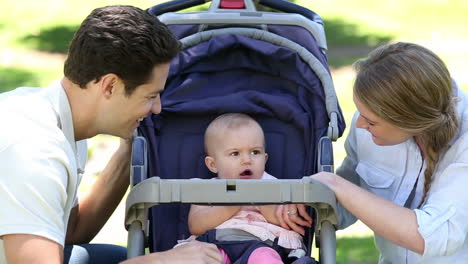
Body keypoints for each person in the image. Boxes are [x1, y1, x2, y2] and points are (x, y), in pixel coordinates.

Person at [0, 5, 222, 264]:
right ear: (110, 85)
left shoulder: (65, 121)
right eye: (150, 96)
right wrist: (161, 261)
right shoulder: (34, 152)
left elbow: (72, 232)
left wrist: (128, 152)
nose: (158, 108)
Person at [311, 42, 468, 263]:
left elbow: (435, 236)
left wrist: (336, 185)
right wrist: (306, 203)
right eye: (360, 112)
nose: (359, 125)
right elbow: (352, 198)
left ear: (409, 120)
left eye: (372, 122)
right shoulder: (368, 128)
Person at [187, 113, 313, 264]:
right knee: (197, 257)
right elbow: (195, 225)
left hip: (260, 244)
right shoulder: (207, 188)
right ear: (213, 165)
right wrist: (229, 206)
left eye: (255, 152)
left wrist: (260, 199)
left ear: (265, 159)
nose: (247, 160)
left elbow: (285, 221)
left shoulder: (273, 184)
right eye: (235, 153)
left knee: (264, 257)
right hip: (216, 245)